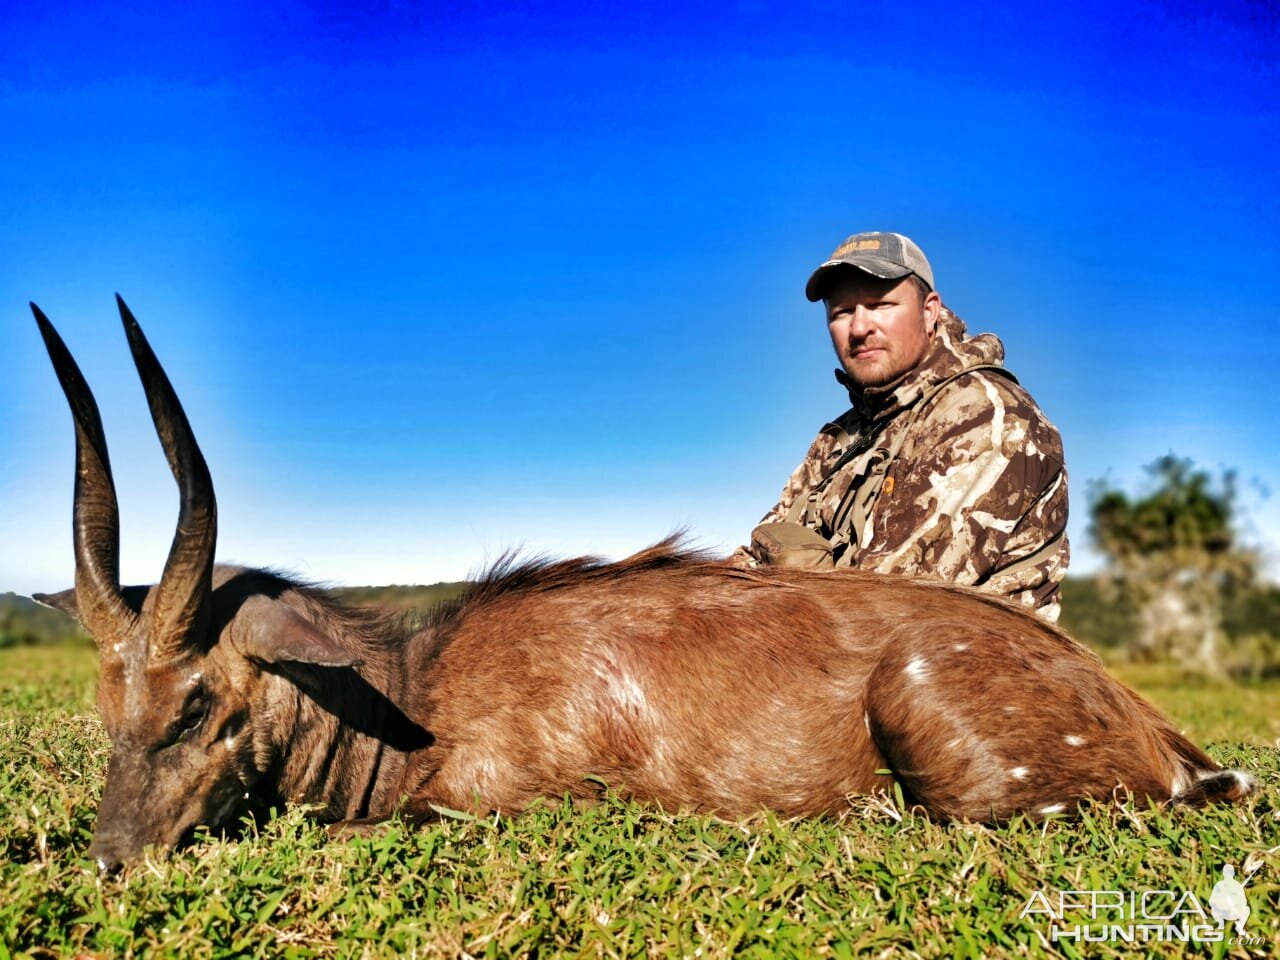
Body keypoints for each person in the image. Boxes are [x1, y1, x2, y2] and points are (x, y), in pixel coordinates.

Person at [741, 231, 1069, 621]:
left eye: (880, 305)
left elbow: (887, 608)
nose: (859, 327)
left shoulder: (988, 417)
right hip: (842, 665)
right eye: (842, 312)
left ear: (929, 311)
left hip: (969, 674)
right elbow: (750, 564)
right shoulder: (840, 438)